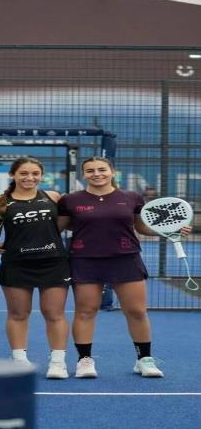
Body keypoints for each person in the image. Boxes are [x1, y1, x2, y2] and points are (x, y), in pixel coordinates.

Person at [57, 157, 192, 379]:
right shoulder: (70, 200)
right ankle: (84, 360)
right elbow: (55, 229)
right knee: (86, 311)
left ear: (112, 172)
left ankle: (144, 360)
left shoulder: (131, 198)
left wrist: (169, 230)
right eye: (90, 170)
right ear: (83, 174)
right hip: (84, 260)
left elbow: (142, 228)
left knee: (137, 311)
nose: (96, 174)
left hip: (126, 259)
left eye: (102, 169)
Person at [0, 157, 71, 379]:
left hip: (53, 262)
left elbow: (58, 226)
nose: (30, 178)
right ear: (13, 175)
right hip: (16, 264)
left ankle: (58, 363)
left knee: (54, 314)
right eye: (24, 173)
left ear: (41, 175)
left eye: (35, 173)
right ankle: (19, 360)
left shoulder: (53, 197)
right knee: (18, 314)